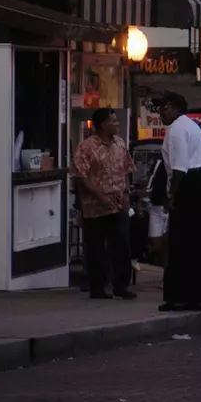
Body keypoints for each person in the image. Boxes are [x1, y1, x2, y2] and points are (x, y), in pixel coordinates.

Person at [159, 91, 201, 313]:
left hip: (189, 184)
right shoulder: (192, 126)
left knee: (180, 241)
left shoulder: (176, 130)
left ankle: (177, 297)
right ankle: (197, 296)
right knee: (200, 242)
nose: (162, 112)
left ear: (175, 108)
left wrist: (172, 195)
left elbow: (180, 167)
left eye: (165, 107)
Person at [73, 108, 137, 300]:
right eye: (113, 121)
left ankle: (121, 285)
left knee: (121, 244)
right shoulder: (86, 147)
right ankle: (98, 287)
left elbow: (126, 170)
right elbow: (80, 176)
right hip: (95, 206)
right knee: (96, 247)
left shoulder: (120, 144)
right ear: (102, 124)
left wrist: (126, 195)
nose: (117, 124)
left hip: (117, 204)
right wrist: (99, 195)